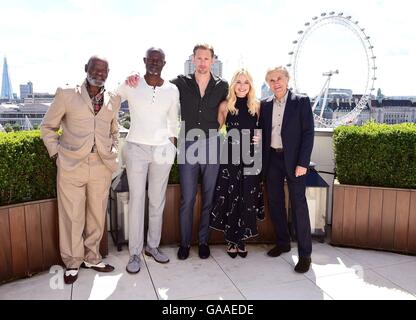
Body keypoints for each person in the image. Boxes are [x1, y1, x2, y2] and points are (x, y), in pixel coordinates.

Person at [127, 44, 228, 260]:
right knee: (188, 197)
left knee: (209, 196)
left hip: (212, 143)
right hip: (188, 144)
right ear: (193, 59)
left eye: (206, 58)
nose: (202, 62)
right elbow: (154, 82)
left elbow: (237, 101)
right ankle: (184, 244)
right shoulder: (180, 83)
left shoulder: (223, 86)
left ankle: (203, 242)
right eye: (198, 58)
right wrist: (135, 75)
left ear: (212, 60)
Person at [41, 56, 120, 284]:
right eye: (95, 69)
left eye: (104, 70)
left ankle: (92, 257)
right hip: (71, 165)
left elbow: (114, 130)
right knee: (72, 217)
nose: (100, 73)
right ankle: (72, 262)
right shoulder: (66, 94)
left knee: (96, 215)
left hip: (100, 165)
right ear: (86, 69)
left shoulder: (113, 98)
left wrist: (113, 149)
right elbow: (47, 127)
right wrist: (56, 154)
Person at [118, 48, 180, 274]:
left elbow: (174, 122)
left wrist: (172, 145)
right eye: (151, 59)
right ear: (144, 61)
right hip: (136, 148)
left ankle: (152, 246)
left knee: (157, 200)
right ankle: (134, 253)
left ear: (164, 63)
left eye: (158, 60)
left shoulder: (172, 89)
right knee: (137, 200)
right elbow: (112, 99)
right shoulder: (132, 83)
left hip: (163, 150)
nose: (154, 62)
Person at [259, 66, 314, 273]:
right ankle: (283, 243)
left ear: (287, 79)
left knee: (299, 205)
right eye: (271, 80)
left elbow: (308, 134)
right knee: (275, 202)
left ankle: (305, 254)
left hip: (294, 162)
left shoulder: (301, 102)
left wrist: (303, 163)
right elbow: (262, 133)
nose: (276, 83)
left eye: (279, 78)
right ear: (268, 84)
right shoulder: (264, 106)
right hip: (272, 159)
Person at [210, 69, 264, 258]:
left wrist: (259, 138)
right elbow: (215, 130)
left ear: (250, 86)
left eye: (246, 82)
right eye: (239, 82)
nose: (242, 86)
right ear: (233, 85)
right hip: (231, 156)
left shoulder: (256, 106)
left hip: (251, 158)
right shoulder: (225, 106)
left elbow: (261, 131)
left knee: (246, 198)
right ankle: (231, 241)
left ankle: (242, 239)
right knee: (231, 196)